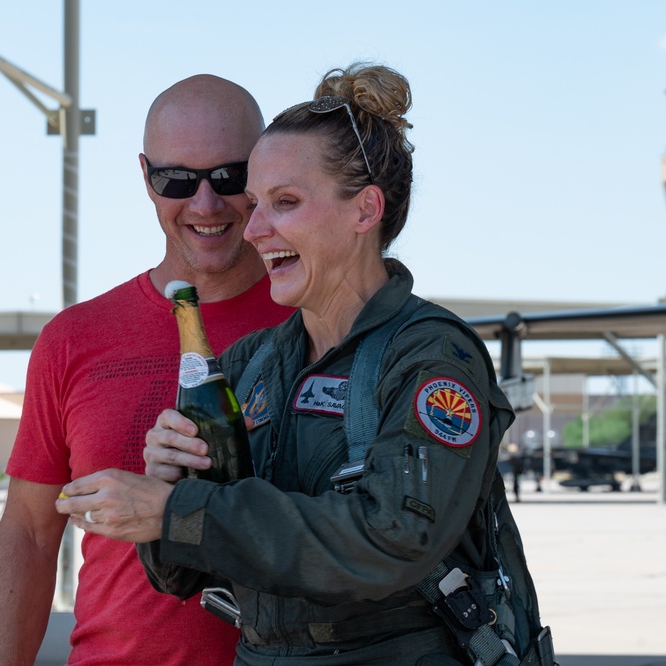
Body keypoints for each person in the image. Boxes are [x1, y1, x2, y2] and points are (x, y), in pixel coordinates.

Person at [56, 63, 553, 665]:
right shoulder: (251, 365)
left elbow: (392, 539)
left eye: (285, 203)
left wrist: (175, 509)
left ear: (365, 210)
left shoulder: (429, 356)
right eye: (257, 203)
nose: (257, 229)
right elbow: (183, 574)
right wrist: (164, 484)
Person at [0, 75, 295, 666]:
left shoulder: (319, 327)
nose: (205, 204)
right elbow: (28, 532)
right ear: (146, 177)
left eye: (229, 178)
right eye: (177, 179)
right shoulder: (74, 340)